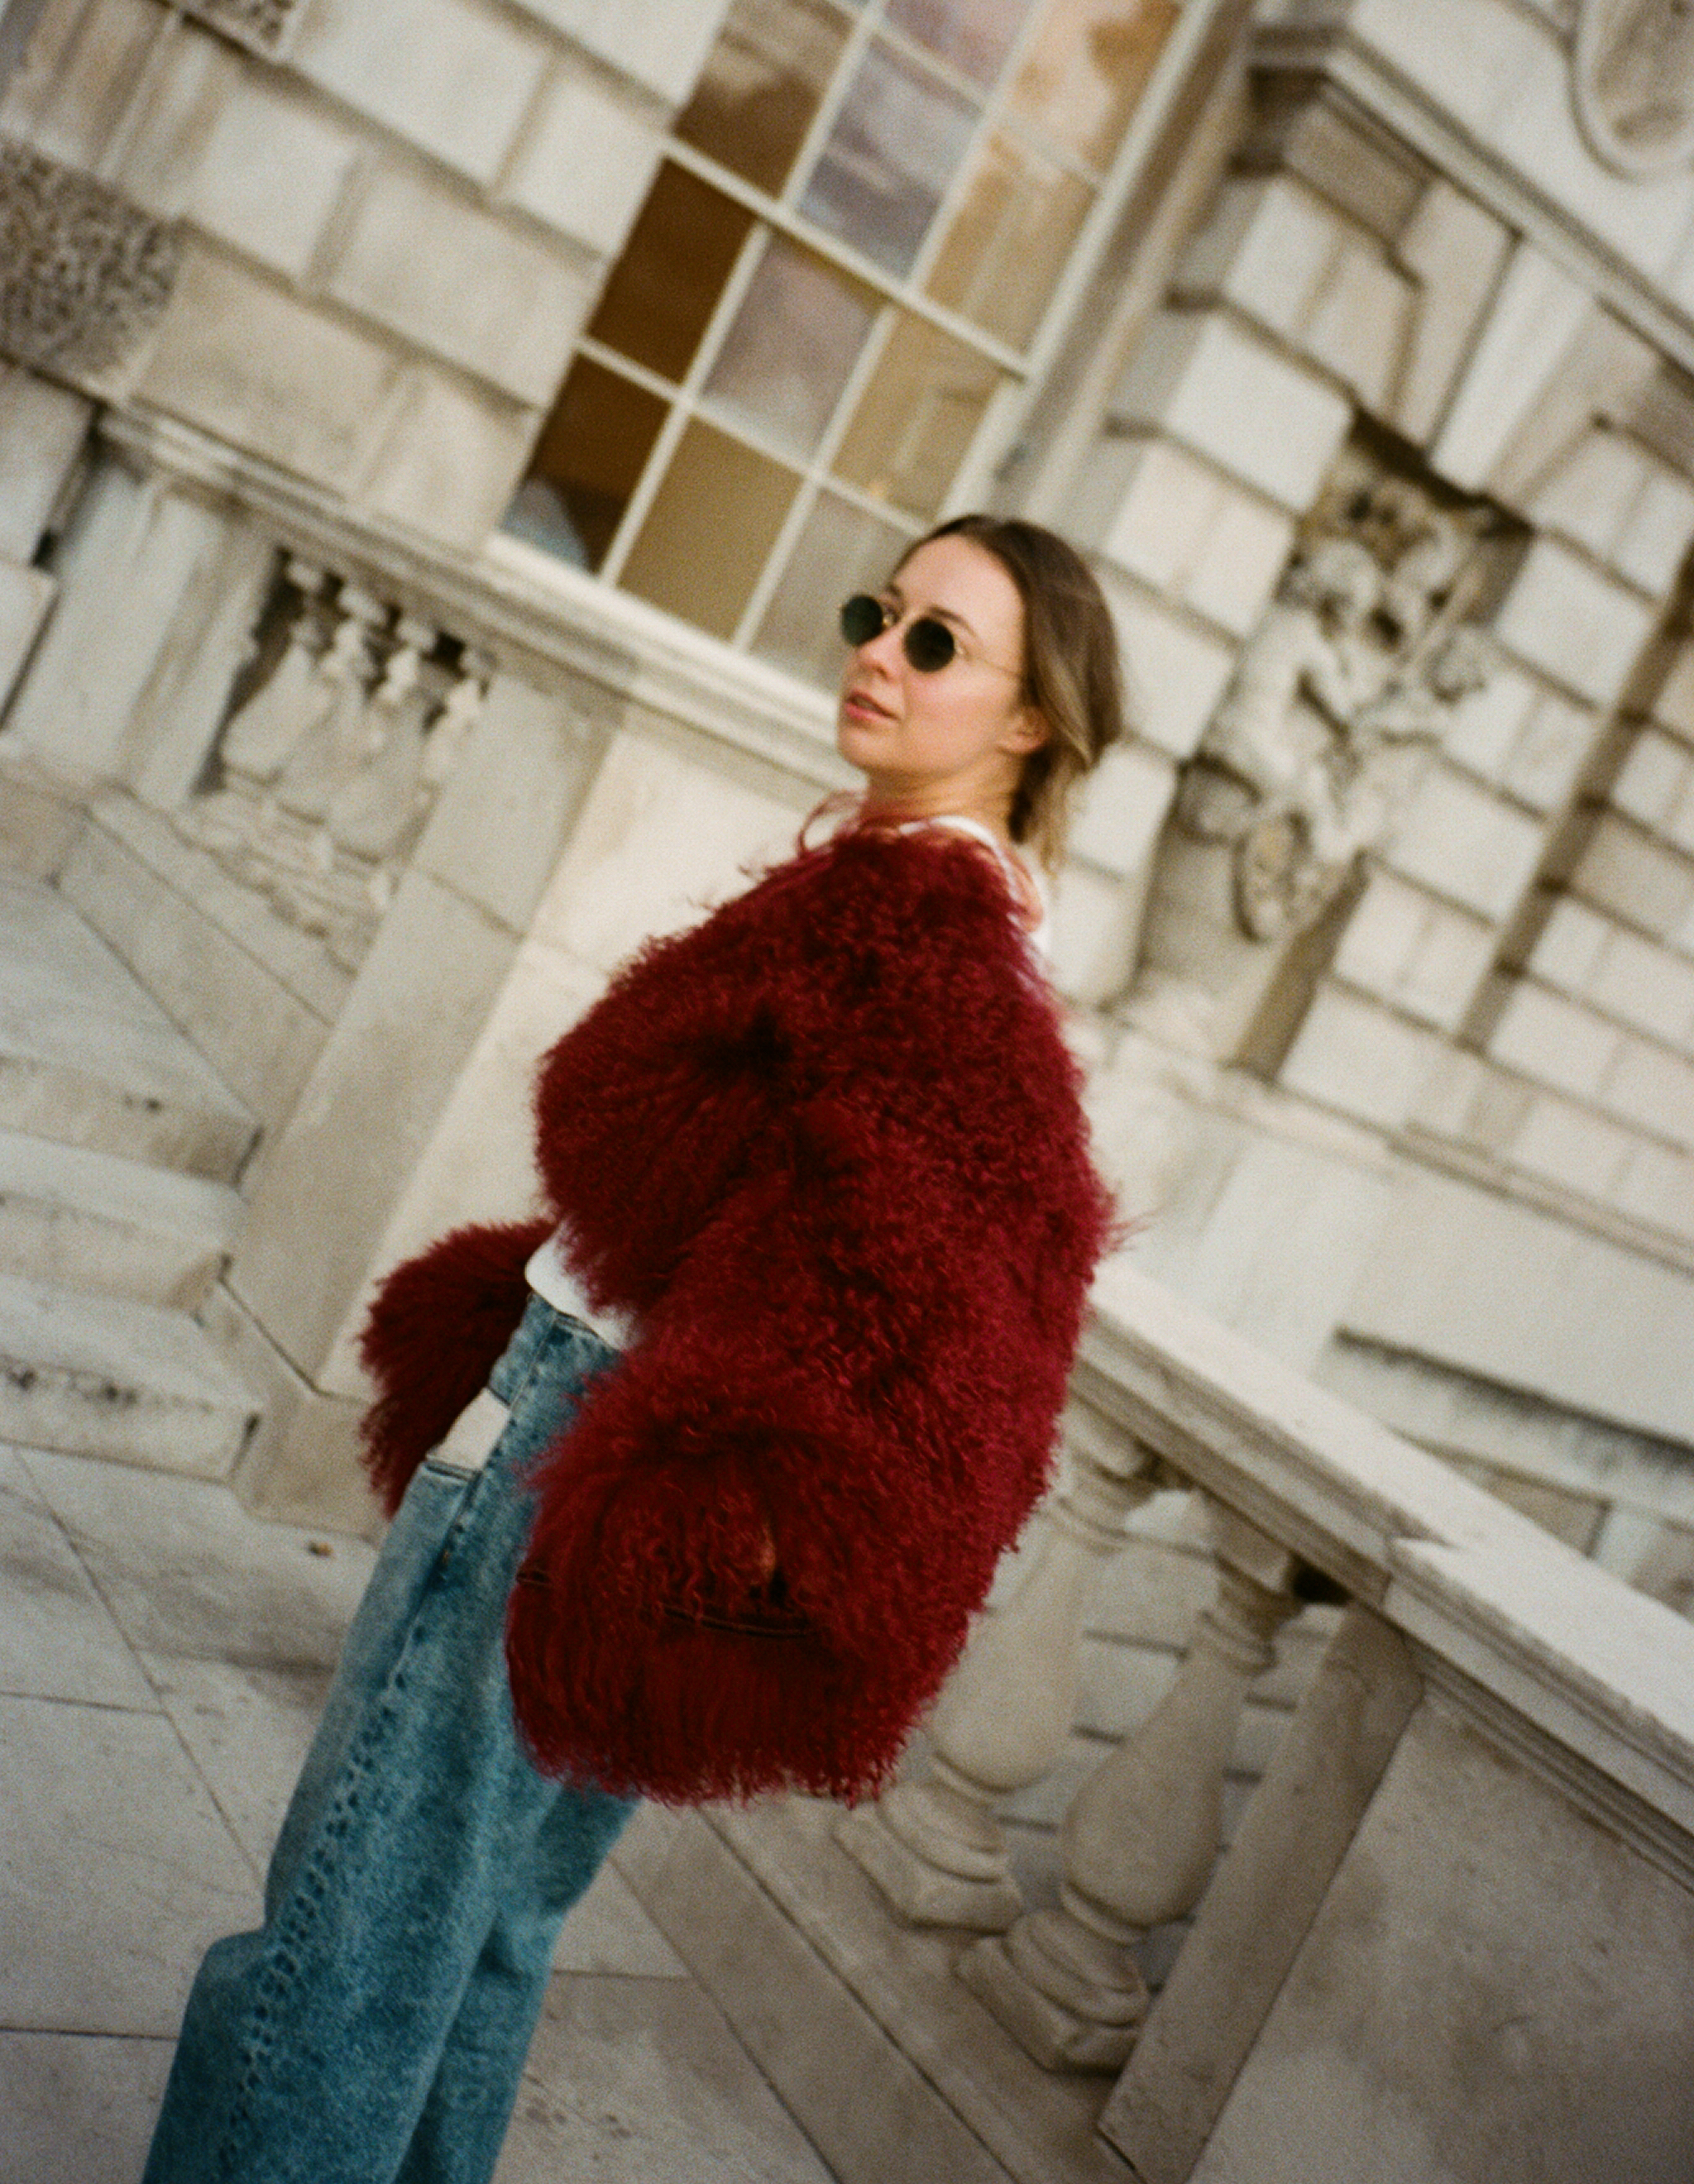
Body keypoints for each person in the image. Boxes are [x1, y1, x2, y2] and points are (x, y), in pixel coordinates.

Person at [142, 513, 1124, 2184]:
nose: (879, 650)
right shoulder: (979, 935)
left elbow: (892, 1260)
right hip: (647, 1482)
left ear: (1033, 718)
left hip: (582, 1462)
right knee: (480, 1950)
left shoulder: (912, 929)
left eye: (939, 640)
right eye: (877, 611)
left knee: (344, 1949)